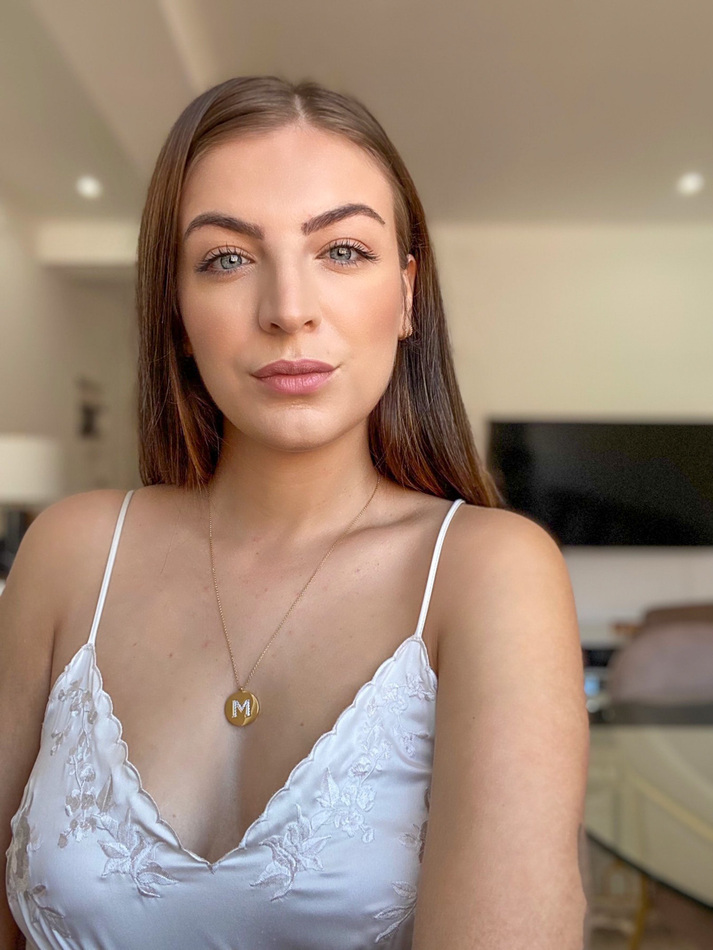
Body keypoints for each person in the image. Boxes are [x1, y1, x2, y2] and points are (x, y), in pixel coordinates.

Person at [1, 75, 590, 949]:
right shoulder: (72, 553)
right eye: (226, 258)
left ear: (406, 294)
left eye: (341, 250)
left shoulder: (487, 573)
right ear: (176, 308)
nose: (287, 311)